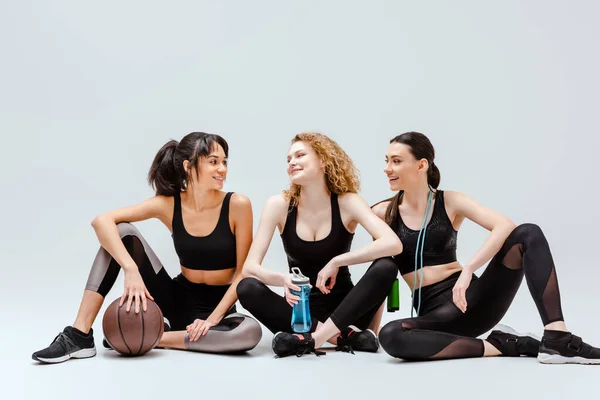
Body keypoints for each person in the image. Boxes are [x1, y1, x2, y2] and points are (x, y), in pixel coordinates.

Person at [32, 132, 262, 364]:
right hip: (174, 300)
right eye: (213, 162)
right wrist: (130, 269)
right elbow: (102, 221)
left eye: (224, 162)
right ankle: (79, 335)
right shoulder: (169, 204)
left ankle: (158, 336)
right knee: (121, 232)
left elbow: (243, 272)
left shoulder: (238, 205)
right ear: (189, 166)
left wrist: (211, 321)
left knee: (250, 332)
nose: (222, 168)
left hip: (219, 310)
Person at [374, 131, 600, 364]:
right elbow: (379, 276)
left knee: (527, 233)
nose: (387, 168)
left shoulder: (450, 201)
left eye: (396, 161)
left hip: (472, 300)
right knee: (390, 335)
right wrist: (371, 332)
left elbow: (504, 226)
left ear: (421, 165)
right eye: (387, 160)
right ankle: (503, 345)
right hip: (434, 318)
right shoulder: (382, 213)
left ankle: (557, 337)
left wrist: (468, 269)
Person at [236, 132, 402, 358]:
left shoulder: (347, 202)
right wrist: (283, 279)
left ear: (323, 159)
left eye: (300, 155)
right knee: (246, 288)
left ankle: (310, 341)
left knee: (386, 266)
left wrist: (338, 260)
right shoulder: (279, 205)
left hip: (348, 311)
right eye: (288, 159)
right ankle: (341, 337)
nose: (292, 162)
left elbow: (393, 243)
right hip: (301, 315)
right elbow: (249, 268)